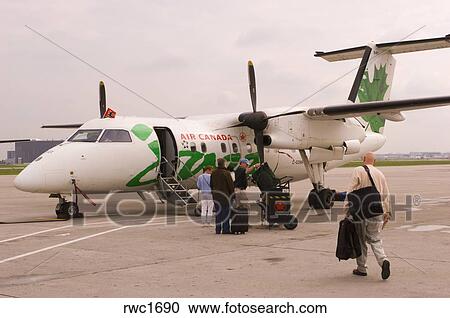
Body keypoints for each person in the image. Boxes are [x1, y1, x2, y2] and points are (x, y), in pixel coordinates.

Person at [345, 152, 392, 280]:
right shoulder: (380, 174)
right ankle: (383, 260)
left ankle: (361, 269)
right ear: (374, 161)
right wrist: (387, 212)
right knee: (375, 239)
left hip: (360, 211)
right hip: (376, 210)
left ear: (363, 159)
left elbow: (350, 190)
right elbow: (386, 195)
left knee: (360, 241)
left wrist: (347, 208)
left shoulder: (358, 170)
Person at [211, 158, 234, 234]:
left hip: (216, 196)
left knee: (218, 213)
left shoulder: (213, 173)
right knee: (225, 213)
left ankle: (217, 229)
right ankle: (225, 229)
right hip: (225, 196)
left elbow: (211, 185)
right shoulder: (226, 173)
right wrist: (233, 195)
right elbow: (230, 185)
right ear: (224, 164)